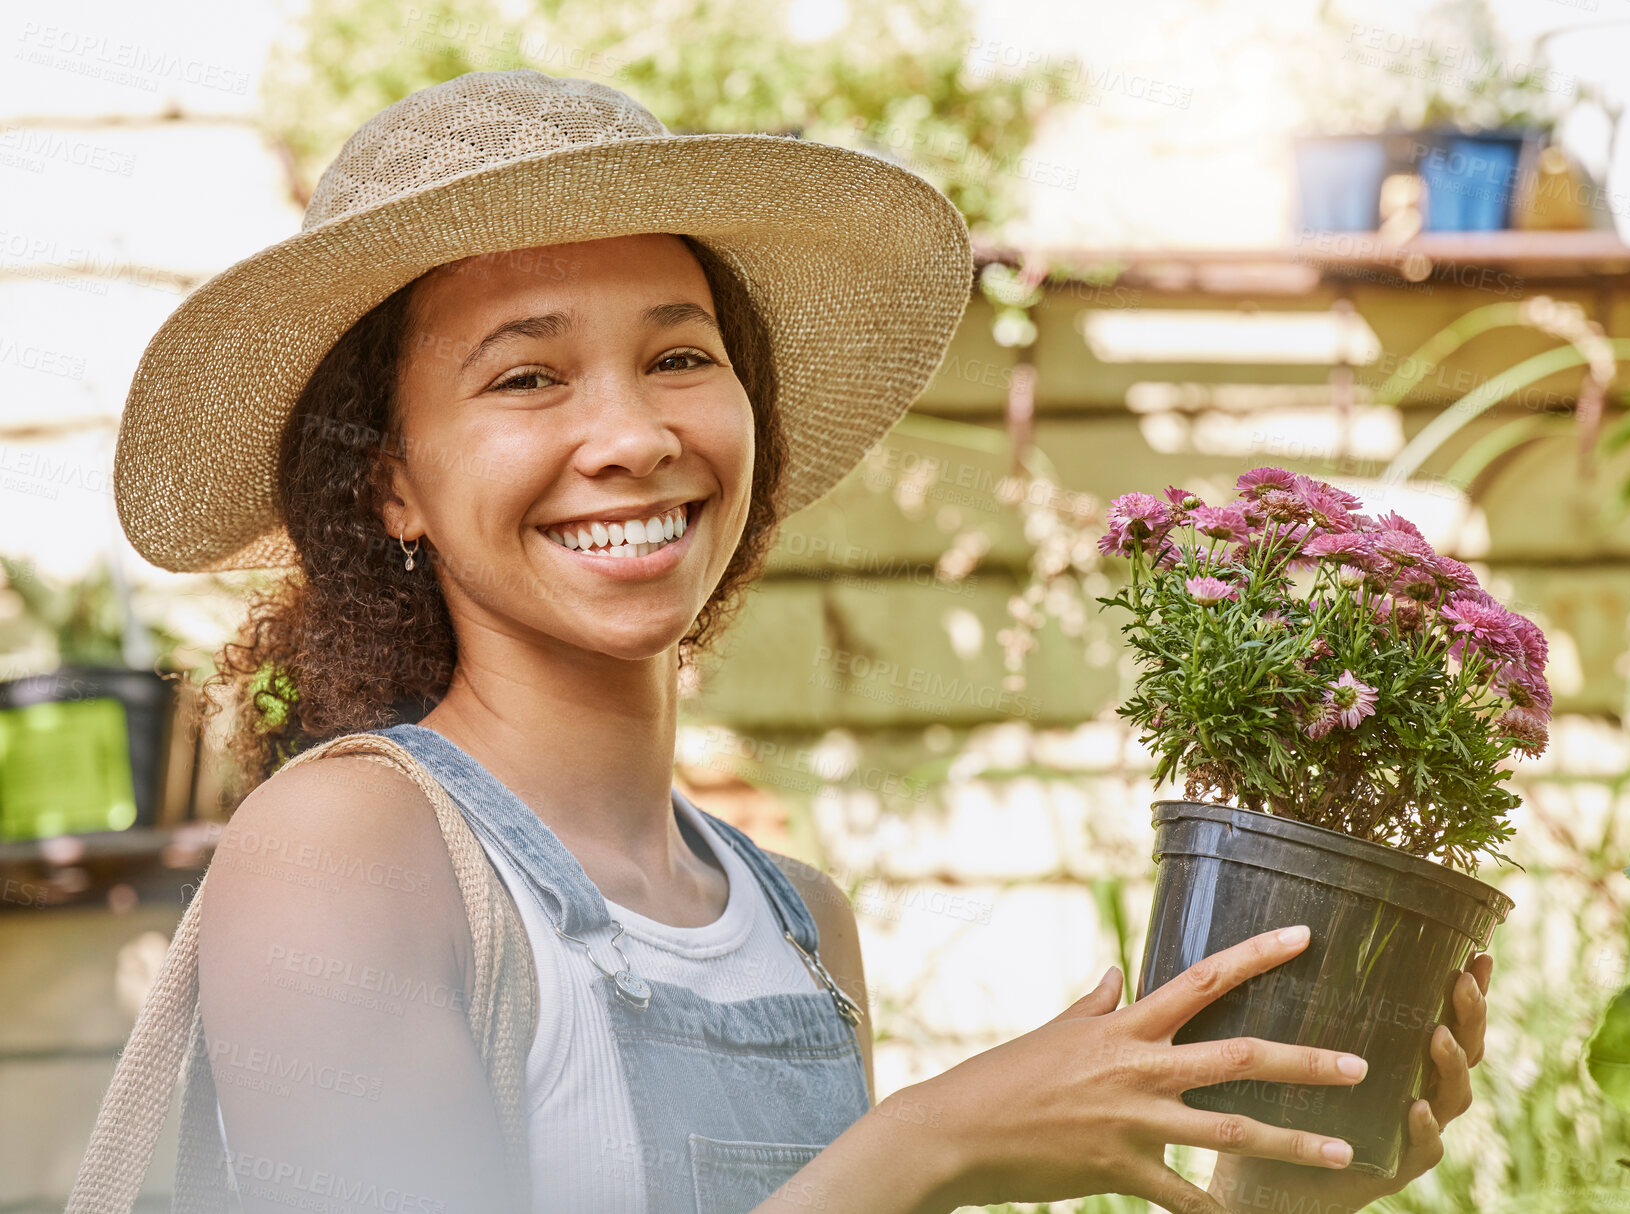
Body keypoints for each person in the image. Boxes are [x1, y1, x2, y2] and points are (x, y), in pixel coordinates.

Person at [78, 70, 1491, 1214]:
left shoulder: (798, 923)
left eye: (681, 355)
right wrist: (924, 1149)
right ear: (387, 478)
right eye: (527, 374)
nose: (633, 435)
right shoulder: (349, 844)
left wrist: (1268, 1187)